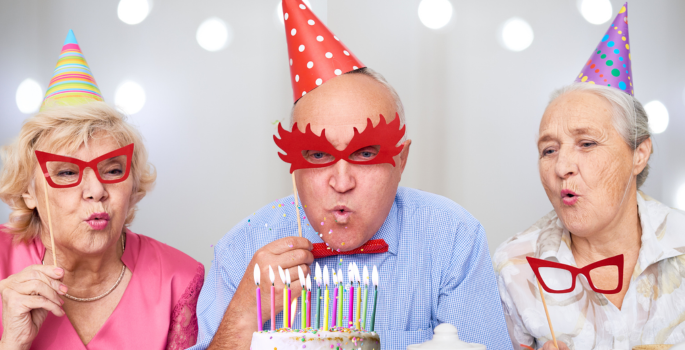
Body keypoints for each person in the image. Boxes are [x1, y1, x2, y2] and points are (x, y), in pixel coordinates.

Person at [189, 1, 512, 349]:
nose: (342, 182)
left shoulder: (452, 239)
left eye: (366, 153)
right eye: (318, 154)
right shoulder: (241, 249)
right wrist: (243, 316)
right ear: (295, 166)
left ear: (401, 160)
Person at [494, 5, 685, 350]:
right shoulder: (514, 267)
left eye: (586, 143)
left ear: (639, 154)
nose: (562, 166)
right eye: (549, 150)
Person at [0, 30, 203, 349]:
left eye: (112, 170)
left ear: (133, 184)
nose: (96, 190)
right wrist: (12, 342)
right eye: (67, 172)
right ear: (29, 191)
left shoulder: (178, 279)